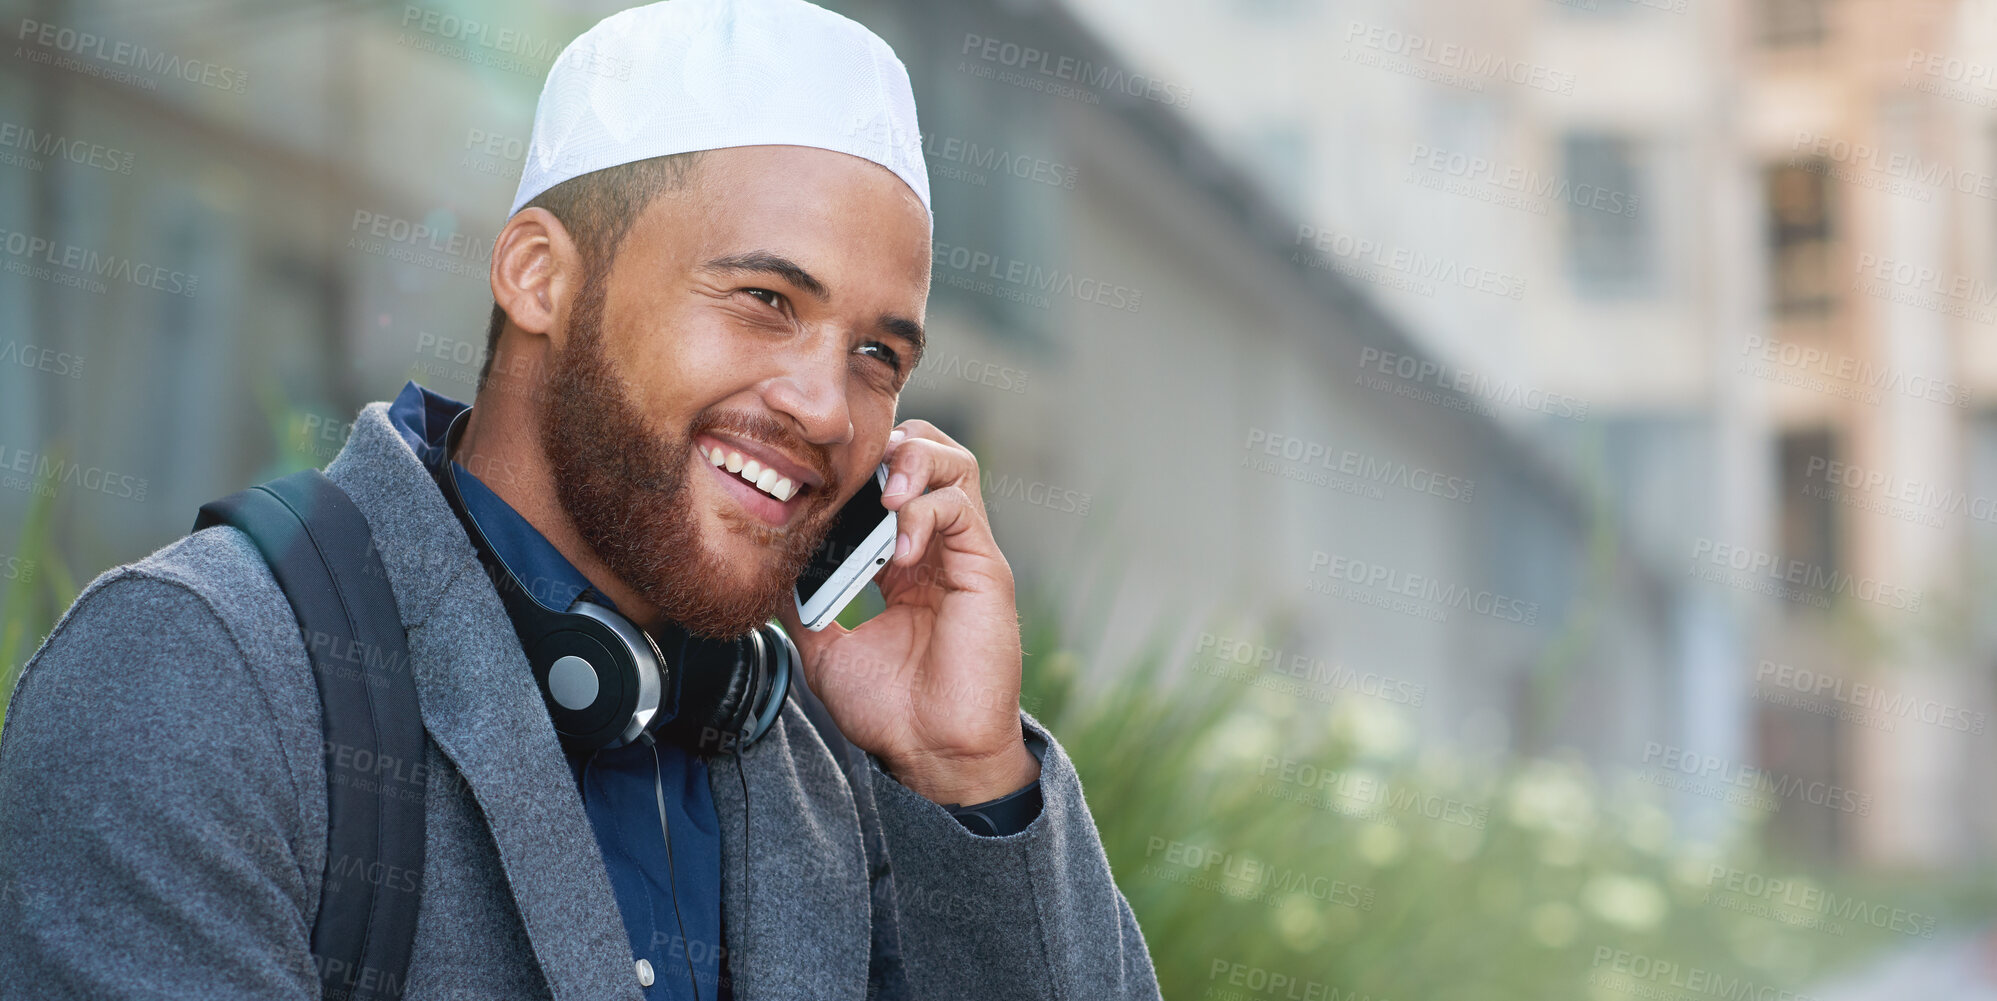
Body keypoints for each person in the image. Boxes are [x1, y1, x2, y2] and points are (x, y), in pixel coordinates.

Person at [0, 1, 1162, 998]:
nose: (826, 407)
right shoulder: (200, 675)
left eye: (877, 355)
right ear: (538, 275)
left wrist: (967, 776)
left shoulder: (846, 762)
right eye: (762, 297)